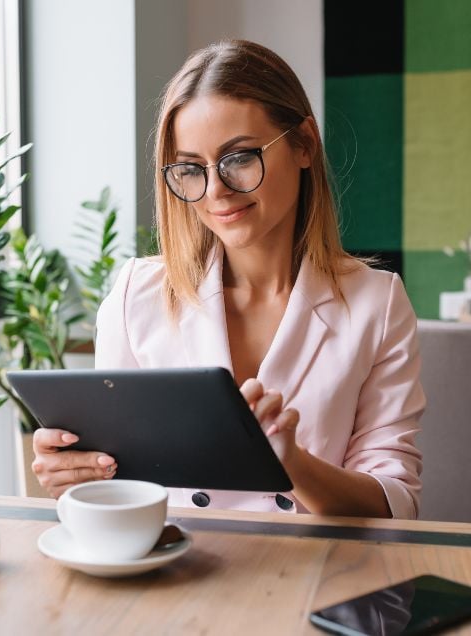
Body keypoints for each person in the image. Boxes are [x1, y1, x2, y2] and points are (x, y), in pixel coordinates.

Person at [32, 40, 424, 519]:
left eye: (239, 157)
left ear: (304, 143)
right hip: (180, 576)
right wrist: (76, 474)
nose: (215, 190)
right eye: (191, 168)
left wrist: (292, 464)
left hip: (315, 581)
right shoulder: (138, 296)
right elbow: (119, 483)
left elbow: (393, 505)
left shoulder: (376, 304)